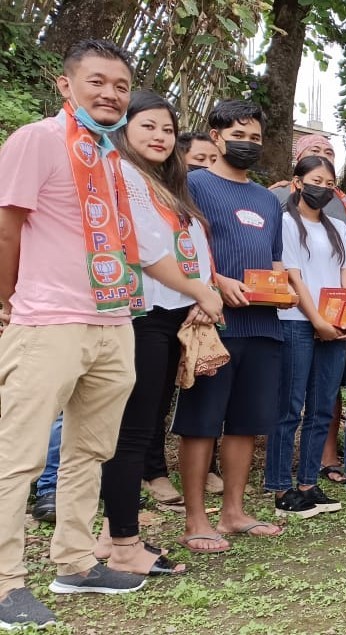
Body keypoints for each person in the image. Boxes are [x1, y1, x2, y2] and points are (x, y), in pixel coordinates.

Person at [0, 39, 148, 629]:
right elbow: (8, 225)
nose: (110, 94)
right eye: (97, 82)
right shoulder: (35, 140)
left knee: (91, 449)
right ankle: (6, 581)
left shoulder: (112, 156)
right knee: (19, 455)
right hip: (47, 320)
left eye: (119, 86)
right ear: (67, 85)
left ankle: (76, 561)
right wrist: (5, 299)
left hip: (114, 319)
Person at [99, 90, 224, 575]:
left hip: (176, 312)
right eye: (148, 126)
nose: (160, 136)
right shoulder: (125, 176)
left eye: (168, 129)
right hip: (142, 313)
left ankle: (115, 536)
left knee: (144, 421)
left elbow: (189, 246)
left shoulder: (166, 185)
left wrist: (199, 295)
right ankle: (123, 541)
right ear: (125, 129)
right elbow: (146, 250)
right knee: (132, 430)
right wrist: (204, 293)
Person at [173, 100, 286, 554]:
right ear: (216, 137)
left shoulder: (265, 198)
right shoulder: (192, 183)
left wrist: (285, 291)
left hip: (264, 324)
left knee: (245, 423)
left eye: (256, 137)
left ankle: (234, 511)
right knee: (201, 422)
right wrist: (215, 283)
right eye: (239, 135)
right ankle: (196, 519)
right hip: (212, 322)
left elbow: (275, 257)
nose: (248, 144)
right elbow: (180, 244)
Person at [264, 155, 346, 517]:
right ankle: (279, 489)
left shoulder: (338, 227)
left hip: (335, 324)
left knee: (322, 408)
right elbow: (293, 277)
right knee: (290, 408)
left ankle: (308, 483)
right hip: (295, 321)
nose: (321, 188)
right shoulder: (285, 223)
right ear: (297, 183)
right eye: (315, 180)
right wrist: (315, 319)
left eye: (328, 182)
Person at [140, 129, 224, 502]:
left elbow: (203, 254)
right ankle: (152, 470)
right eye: (198, 162)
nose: (204, 169)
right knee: (153, 396)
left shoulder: (187, 206)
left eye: (211, 160)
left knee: (203, 388)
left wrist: (204, 297)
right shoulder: (145, 197)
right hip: (150, 309)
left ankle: (207, 466)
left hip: (194, 309)